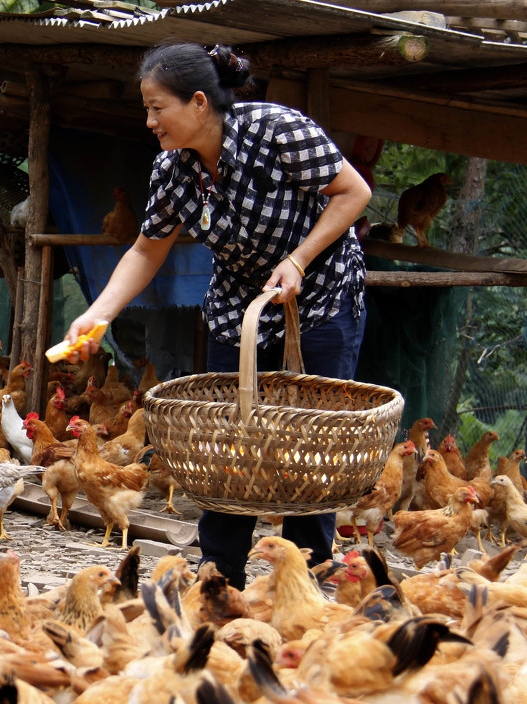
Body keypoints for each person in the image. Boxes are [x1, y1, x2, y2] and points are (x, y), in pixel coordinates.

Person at [66, 43, 373, 590]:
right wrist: (98, 314)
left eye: (158, 107)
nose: (150, 120)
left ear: (200, 102)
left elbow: (354, 192)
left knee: (310, 438)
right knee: (231, 433)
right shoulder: (174, 169)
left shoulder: (277, 131)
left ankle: (305, 573)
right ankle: (220, 573)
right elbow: (146, 249)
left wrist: (299, 258)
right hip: (241, 303)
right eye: (147, 107)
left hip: (320, 293)